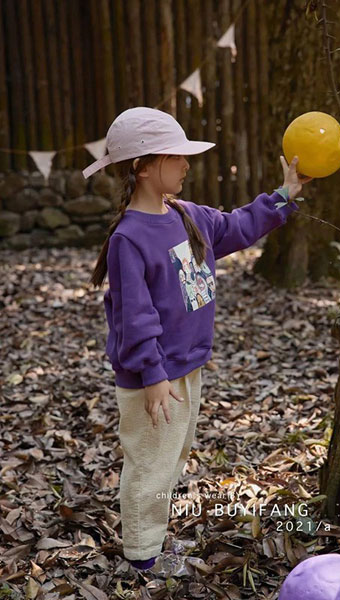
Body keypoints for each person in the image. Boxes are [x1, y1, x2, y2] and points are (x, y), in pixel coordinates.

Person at [84, 106, 313, 573]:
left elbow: (237, 226)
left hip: (186, 369)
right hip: (155, 377)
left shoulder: (188, 215)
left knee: (171, 459)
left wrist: (284, 196)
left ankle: (155, 540)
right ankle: (142, 557)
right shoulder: (129, 239)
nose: (188, 165)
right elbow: (134, 317)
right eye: (177, 156)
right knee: (150, 463)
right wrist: (152, 376)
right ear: (144, 166)